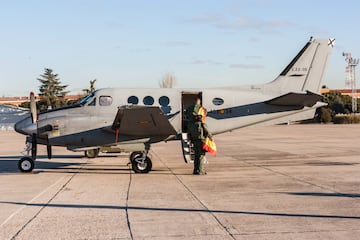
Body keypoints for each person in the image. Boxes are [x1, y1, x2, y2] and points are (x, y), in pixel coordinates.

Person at [187, 97, 212, 175]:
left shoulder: (190, 125)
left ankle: (195, 170)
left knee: (196, 156)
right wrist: (210, 138)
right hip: (201, 140)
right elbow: (206, 131)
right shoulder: (201, 124)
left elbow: (189, 134)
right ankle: (201, 170)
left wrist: (190, 139)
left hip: (194, 140)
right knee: (201, 156)